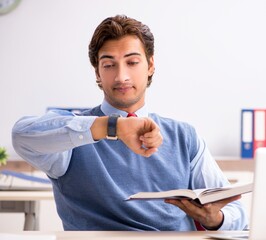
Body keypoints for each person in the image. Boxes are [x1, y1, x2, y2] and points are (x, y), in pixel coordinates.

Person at [12, 15, 248, 231]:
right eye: (108, 65)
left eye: (132, 62)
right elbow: (21, 136)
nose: (121, 76)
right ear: (97, 73)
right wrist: (112, 126)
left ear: (150, 66)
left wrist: (214, 219)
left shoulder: (184, 136)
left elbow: (236, 213)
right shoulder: (75, 133)